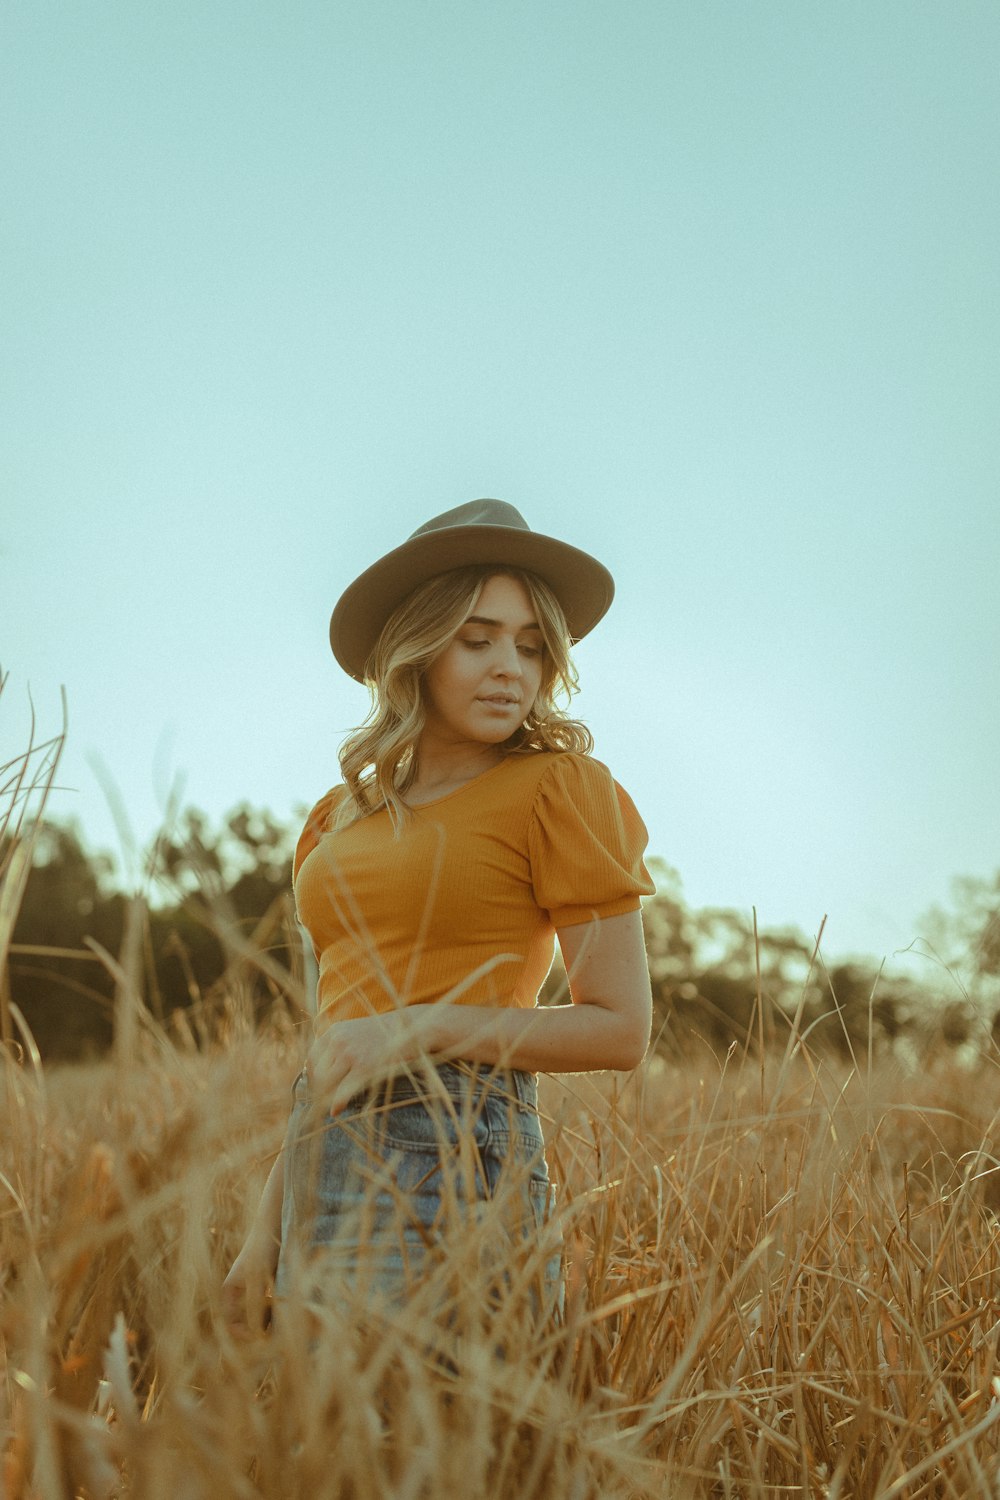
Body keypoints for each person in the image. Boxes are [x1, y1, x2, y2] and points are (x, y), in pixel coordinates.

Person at [221, 498, 655, 1338]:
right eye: (477, 637)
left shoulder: (560, 790)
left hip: (457, 1149)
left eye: (532, 647)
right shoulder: (337, 817)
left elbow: (620, 1030)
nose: (510, 669)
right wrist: (261, 1234)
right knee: (333, 1460)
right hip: (328, 1148)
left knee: (430, 1453)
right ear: (415, 647)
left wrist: (416, 1029)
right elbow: (340, 1043)